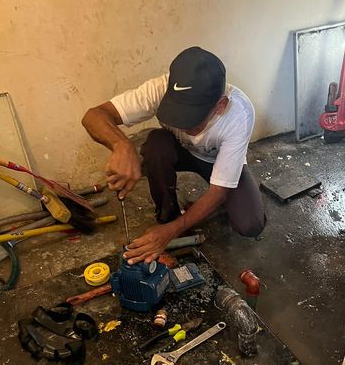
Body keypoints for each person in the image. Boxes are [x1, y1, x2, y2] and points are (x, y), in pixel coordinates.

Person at [82, 46, 266, 263]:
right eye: (179, 114)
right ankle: (167, 215)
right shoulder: (160, 89)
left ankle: (182, 221)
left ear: (220, 105)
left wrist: (174, 231)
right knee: (155, 146)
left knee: (250, 224)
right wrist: (122, 145)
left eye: (193, 118)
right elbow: (93, 116)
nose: (185, 126)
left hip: (216, 160)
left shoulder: (239, 114)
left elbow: (218, 190)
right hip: (177, 151)